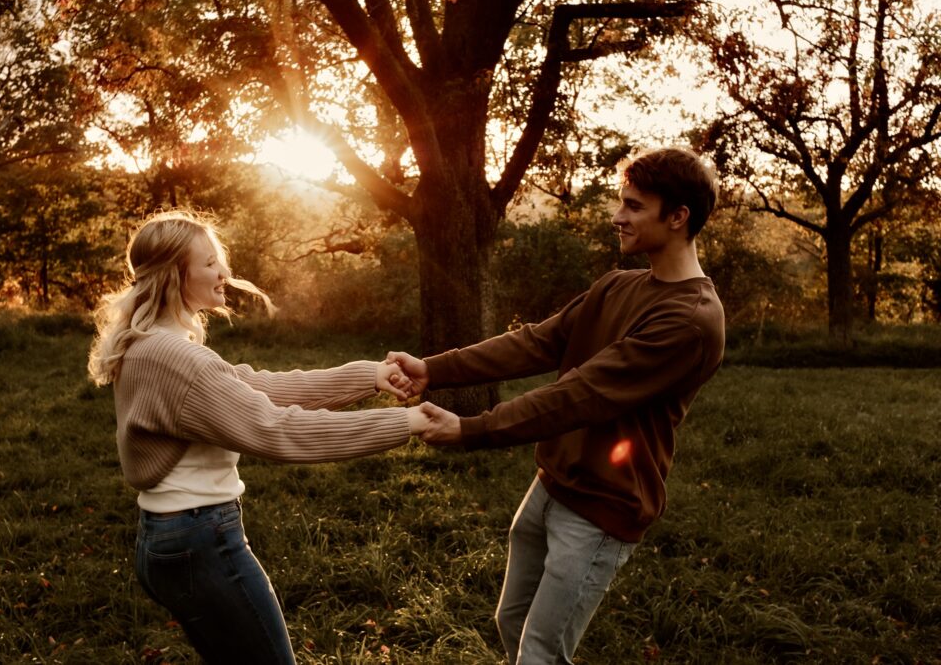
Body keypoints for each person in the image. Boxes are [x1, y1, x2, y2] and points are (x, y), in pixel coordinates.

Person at [389, 147, 726, 664]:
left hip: (602, 507)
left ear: (678, 217)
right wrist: (434, 368)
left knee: (541, 652)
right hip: (551, 484)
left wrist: (472, 429)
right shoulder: (620, 284)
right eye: (622, 203)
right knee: (513, 623)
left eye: (634, 207)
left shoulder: (690, 320)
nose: (618, 217)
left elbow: (580, 394)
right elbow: (537, 343)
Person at [87, 210, 426, 664]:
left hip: (170, 539)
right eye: (209, 263)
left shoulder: (152, 344)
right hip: (201, 540)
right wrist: (406, 424)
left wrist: (370, 376)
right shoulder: (175, 358)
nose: (223, 272)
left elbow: (256, 387)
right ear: (174, 273)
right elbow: (275, 429)